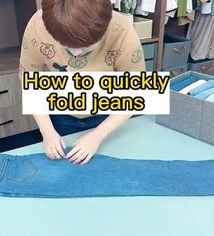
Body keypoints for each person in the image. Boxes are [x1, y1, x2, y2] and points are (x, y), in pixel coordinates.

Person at [19, 0, 145, 165]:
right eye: (66, 47)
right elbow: (29, 81)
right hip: (60, 111)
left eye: (85, 48)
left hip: (108, 114)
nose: (76, 54)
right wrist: (47, 132)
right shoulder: (37, 27)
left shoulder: (121, 32)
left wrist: (97, 136)